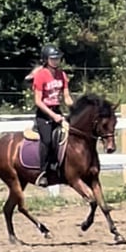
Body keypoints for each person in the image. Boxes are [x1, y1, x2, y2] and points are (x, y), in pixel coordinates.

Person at [32, 44, 73, 187]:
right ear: (46, 59)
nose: (56, 61)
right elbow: (38, 101)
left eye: (58, 58)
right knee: (48, 141)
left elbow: (66, 97)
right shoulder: (40, 75)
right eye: (53, 58)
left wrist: (75, 109)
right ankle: (43, 171)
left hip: (57, 111)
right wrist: (52, 116)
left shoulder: (62, 75)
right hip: (44, 114)